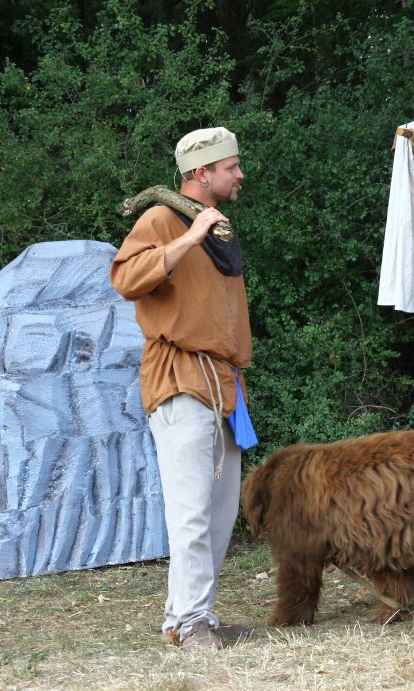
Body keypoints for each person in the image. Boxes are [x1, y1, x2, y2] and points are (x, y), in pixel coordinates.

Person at [111, 127, 254, 649]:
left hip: (224, 384)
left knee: (219, 512)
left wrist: (202, 231)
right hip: (180, 377)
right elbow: (126, 279)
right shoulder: (162, 220)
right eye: (230, 167)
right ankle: (192, 623)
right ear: (201, 173)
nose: (240, 174)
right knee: (191, 508)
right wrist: (190, 237)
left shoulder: (218, 228)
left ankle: (191, 617)